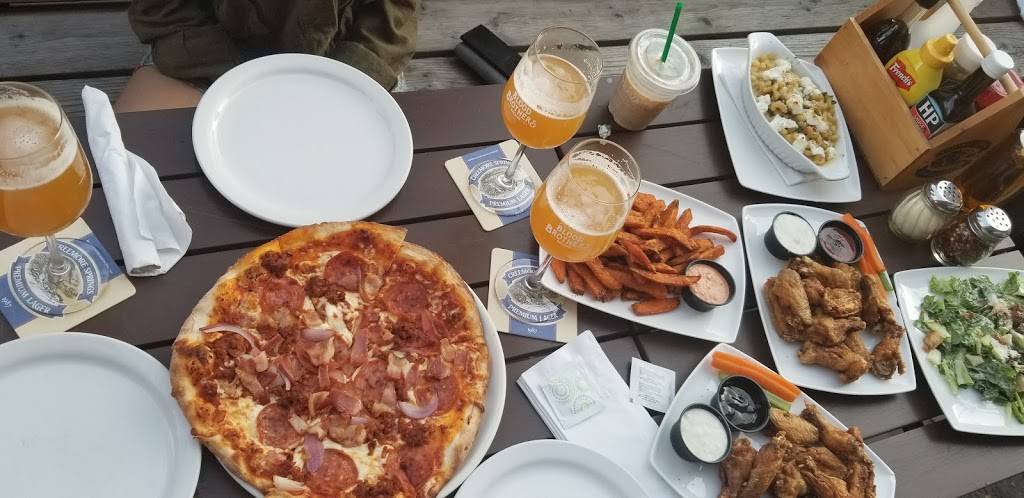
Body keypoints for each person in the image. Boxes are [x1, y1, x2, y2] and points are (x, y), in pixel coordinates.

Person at [116, 0, 420, 112]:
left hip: (344, 56)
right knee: (134, 181)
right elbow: (163, 11)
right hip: (205, 56)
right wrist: (251, 83)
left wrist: (340, 81)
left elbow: (393, 13)